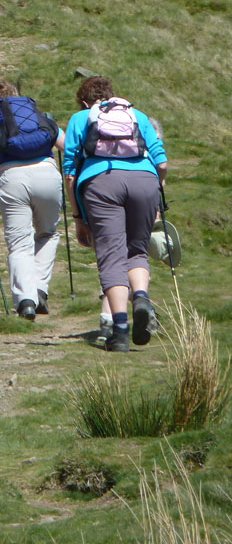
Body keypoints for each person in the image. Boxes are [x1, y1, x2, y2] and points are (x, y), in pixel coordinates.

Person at [63, 76, 167, 352]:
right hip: (145, 181)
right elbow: (162, 162)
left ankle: (119, 329)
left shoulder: (80, 118)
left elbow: (70, 172)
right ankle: (141, 297)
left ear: (85, 101)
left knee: (112, 257)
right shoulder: (136, 114)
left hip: (101, 183)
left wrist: (77, 218)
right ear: (111, 95)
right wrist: (156, 191)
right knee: (137, 251)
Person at [0, 81, 64, 320]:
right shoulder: (39, 116)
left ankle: (26, 300)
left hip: (12, 178)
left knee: (19, 243)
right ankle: (40, 289)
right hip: (47, 174)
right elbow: (67, 146)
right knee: (48, 233)